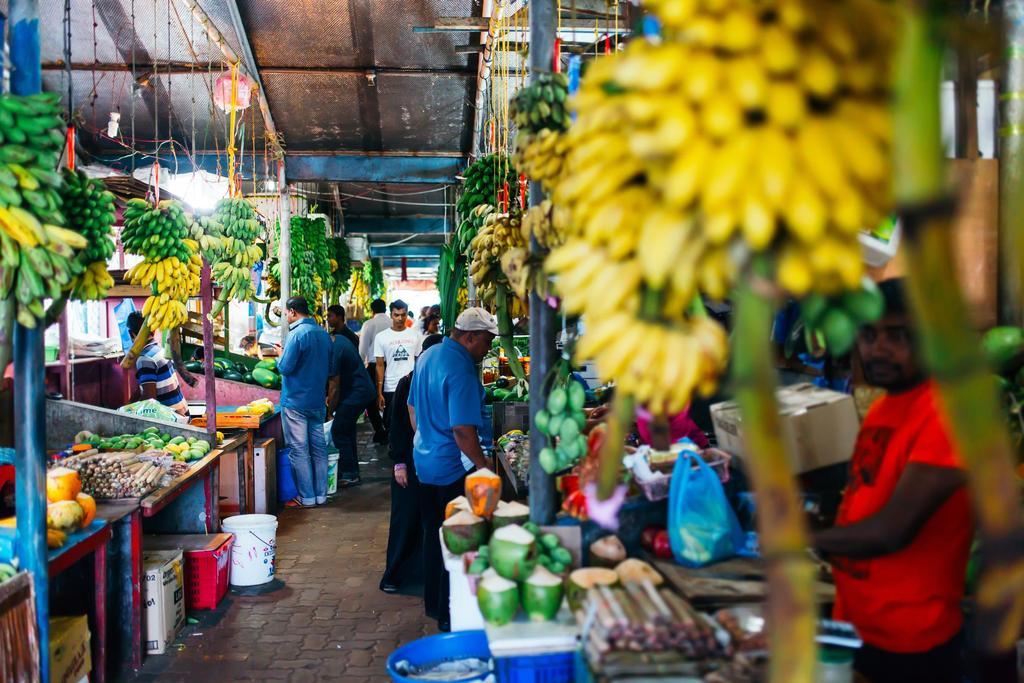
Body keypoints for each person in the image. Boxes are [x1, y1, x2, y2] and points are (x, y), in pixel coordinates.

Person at [812, 279, 970, 683]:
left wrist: (800, 538)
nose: (878, 349)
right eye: (868, 335)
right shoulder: (884, 408)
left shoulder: (947, 413)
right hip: (855, 623)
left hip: (911, 645)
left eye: (897, 336)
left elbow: (891, 531)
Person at [408, 308, 497, 631]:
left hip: (425, 462)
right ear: (470, 337)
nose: (487, 349)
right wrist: (483, 468)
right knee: (459, 541)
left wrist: (427, 438)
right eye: (486, 342)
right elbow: (462, 430)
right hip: (452, 468)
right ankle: (452, 613)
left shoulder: (429, 355)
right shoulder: (461, 369)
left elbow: (412, 408)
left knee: (434, 536)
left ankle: (435, 605)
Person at [380, 332, 445, 594]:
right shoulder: (407, 383)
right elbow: (396, 426)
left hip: (430, 462)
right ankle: (393, 576)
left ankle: (421, 575)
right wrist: (399, 463)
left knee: (426, 520)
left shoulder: (438, 380)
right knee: (405, 520)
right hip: (408, 461)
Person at [276, 297, 333, 509]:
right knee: (319, 449)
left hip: (295, 402)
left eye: (286, 313)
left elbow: (285, 367)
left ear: (292, 312)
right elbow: (330, 367)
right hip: (317, 400)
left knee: (299, 450)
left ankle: (307, 497)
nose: (286, 317)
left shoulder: (296, 334)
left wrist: (280, 355)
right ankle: (321, 495)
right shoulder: (323, 334)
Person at [328, 316, 377, 489]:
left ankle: (349, 473)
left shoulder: (334, 350)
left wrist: (329, 411)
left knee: (339, 430)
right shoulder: (339, 339)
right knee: (347, 430)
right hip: (361, 391)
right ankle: (352, 472)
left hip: (358, 393)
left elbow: (334, 386)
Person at [126, 311, 189, 416]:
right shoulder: (160, 350)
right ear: (154, 329)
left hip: (172, 418)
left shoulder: (145, 359)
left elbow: (149, 399)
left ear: (131, 333)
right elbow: (143, 388)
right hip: (183, 412)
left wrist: (129, 411)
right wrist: (129, 405)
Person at [373, 300, 421, 432]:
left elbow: (419, 361)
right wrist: (379, 392)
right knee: (392, 426)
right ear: (391, 315)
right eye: (396, 315)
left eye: (403, 315)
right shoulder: (381, 337)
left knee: (411, 426)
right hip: (391, 387)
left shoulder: (415, 335)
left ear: (407, 314)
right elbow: (379, 365)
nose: (400, 318)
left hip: (411, 387)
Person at [358, 299, 390, 444]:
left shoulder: (369, 324)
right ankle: (389, 428)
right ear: (386, 309)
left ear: (372, 311)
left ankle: (379, 429)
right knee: (389, 397)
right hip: (390, 365)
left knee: (371, 399)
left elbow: (362, 349)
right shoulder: (392, 323)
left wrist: (360, 366)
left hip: (373, 366)